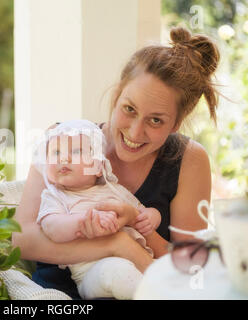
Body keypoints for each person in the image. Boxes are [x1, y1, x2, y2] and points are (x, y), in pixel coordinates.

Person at [12, 26, 220, 299]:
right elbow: (20, 240)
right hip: (56, 295)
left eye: (156, 120)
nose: (134, 133)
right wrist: (117, 244)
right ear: (116, 96)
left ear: (176, 124)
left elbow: (188, 266)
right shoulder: (62, 138)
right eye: (129, 109)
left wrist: (135, 224)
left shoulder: (189, 160)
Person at [34, 119, 161, 299]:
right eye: (55, 153)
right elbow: (51, 227)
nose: (63, 158)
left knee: (173, 271)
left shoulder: (113, 190)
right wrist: (83, 221)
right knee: (118, 272)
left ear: (99, 167)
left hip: (141, 260)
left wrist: (153, 216)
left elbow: (141, 213)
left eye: (76, 152)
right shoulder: (55, 195)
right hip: (93, 272)